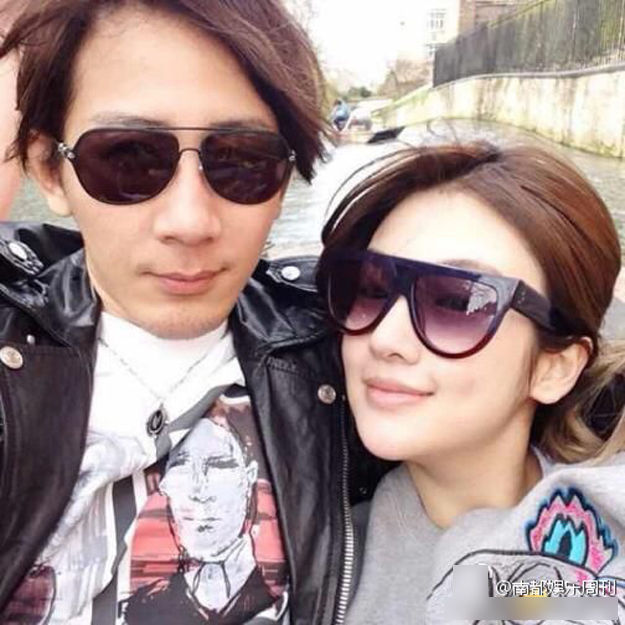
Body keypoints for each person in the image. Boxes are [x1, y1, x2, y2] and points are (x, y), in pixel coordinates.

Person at [0, 1, 384, 623]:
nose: (190, 222)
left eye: (242, 162)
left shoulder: (356, 351)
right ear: (50, 170)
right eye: (127, 158)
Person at [316, 143, 625, 623]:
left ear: (555, 367)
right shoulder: (306, 565)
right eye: (371, 290)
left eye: (457, 303)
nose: (384, 338)